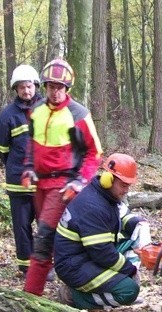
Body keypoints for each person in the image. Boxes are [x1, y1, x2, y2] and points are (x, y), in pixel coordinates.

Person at [23, 58, 103, 296]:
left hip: (63, 184)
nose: (55, 91)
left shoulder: (78, 114)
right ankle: (74, 286)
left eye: (59, 87)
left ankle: (29, 298)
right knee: (56, 237)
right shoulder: (36, 111)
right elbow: (31, 144)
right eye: (50, 86)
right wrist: (28, 167)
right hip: (40, 184)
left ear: (67, 88)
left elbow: (94, 152)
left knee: (44, 238)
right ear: (44, 87)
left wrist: (80, 181)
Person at [53, 153, 151, 309]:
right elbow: (102, 253)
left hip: (87, 256)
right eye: (123, 185)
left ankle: (103, 290)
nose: (126, 190)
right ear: (108, 179)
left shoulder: (106, 196)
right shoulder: (93, 206)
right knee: (129, 290)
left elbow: (122, 215)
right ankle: (73, 296)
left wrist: (139, 225)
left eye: (128, 186)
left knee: (132, 238)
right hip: (74, 265)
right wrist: (129, 269)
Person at [0, 65, 43, 275]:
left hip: (43, 181)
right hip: (18, 182)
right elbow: (0, 148)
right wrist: (15, 165)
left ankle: (44, 265)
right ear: (16, 89)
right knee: (22, 228)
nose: (26, 91)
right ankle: (26, 267)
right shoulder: (7, 116)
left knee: (45, 226)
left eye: (29, 86)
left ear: (35, 86)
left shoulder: (47, 109)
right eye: (21, 87)